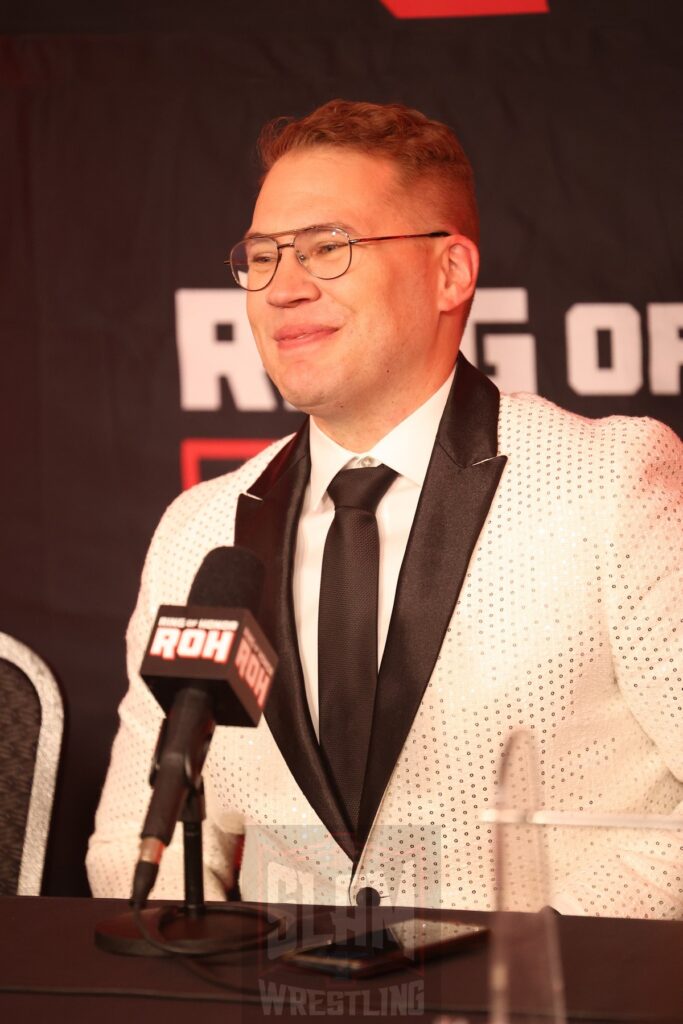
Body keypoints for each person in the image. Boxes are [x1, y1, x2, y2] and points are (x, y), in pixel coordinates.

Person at [87, 99, 683, 917]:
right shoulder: (200, 529)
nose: (282, 289)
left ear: (450, 273)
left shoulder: (608, 479)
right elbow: (133, 836)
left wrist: (521, 965)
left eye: (327, 248)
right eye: (260, 257)